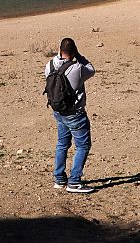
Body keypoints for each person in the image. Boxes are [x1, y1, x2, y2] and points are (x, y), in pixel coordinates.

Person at [44, 37, 96, 194]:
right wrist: (79, 56)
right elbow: (91, 69)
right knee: (83, 146)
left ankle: (59, 179)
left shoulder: (50, 65)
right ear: (73, 52)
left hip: (58, 111)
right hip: (75, 113)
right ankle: (74, 182)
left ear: (60, 50)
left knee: (62, 144)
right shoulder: (77, 68)